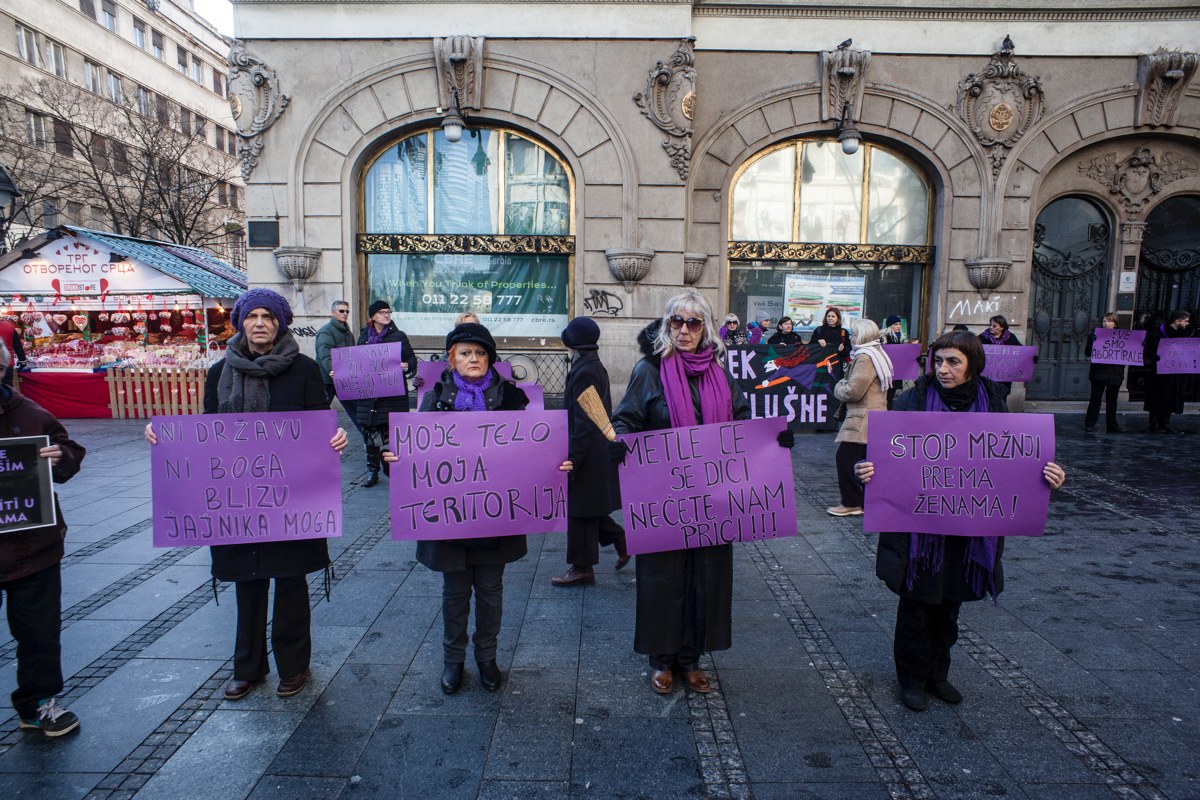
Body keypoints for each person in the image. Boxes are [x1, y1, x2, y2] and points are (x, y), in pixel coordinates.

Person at [148, 288, 349, 701]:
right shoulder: (219, 373)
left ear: (280, 324)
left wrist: (336, 438)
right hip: (239, 502)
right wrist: (165, 439)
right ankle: (248, 667)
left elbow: (318, 429)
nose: (260, 323)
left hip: (292, 499)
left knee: (291, 584)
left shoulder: (305, 370)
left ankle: (294, 667)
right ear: (240, 322)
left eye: (269, 317)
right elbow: (207, 434)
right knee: (247, 583)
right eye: (253, 316)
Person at [855, 331, 1066, 712]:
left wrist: (1049, 474)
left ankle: (939, 674)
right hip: (918, 531)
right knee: (917, 606)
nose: (943, 369)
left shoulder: (994, 402)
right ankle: (913, 680)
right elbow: (883, 458)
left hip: (968, 528)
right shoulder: (912, 399)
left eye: (953, 362)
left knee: (949, 605)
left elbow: (1014, 457)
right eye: (938, 361)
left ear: (973, 364)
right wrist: (866, 471)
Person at [611, 289, 794, 696]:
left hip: (713, 499)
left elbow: (742, 421)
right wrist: (620, 440)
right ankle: (661, 658)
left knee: (704, 578)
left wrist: (774, 440)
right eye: (676, 321)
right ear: (666, 325)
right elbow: (626, 419)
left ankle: (691, 657)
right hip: (664, 496)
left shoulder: (720, 373)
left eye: (693, 322)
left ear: (707, 328)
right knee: (664, 577)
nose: (684, 330)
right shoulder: (649, 371)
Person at [388, 323, 572, 695]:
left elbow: (534, 447)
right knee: (455, 592)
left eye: (481, 353)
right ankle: (452, 660)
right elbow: (416, 452)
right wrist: (397, 458)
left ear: (490, 358)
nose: (474, 359)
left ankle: (487, 657)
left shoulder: (513, 397)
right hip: (449, 519)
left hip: (496, 517)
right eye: (466, 352)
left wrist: (556, 463)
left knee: (490, 591)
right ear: (451, 358)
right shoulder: (435, 396)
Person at [0, 339, 85, 737]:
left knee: (38, 632)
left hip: (32, 548)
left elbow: (69, 449)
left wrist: (61, 458)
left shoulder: (28, 412)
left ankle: (37, 703)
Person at [552, 317, 628, 587]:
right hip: (593, 450)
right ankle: (621, 539)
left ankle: (582, 568)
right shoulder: (590, 365)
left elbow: (585, 422)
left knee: (579, 508)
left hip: (587, 451)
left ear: (572, 341)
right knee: (587, 505)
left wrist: (573, 456)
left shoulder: (585, 370)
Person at [828, 319, 891, 517]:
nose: (851, 338)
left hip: (863, 419)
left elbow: (853, 391)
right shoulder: (876, 353)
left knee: (845, 458)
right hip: (873, 416)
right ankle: (865, 501)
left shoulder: (865, 357)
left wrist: (839, 385)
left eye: (854, 334)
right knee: (865, 461)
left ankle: (852, 502)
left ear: (862, 335)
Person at [356, 300, 417, 487]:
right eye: (382, 312)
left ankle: (390, 467)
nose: (386, 315)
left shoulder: (398, 336)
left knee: (391, 434)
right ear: (373, 316)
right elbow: (355, 362)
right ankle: (372, 471)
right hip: (369, 394)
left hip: (392, 395)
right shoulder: (364, 337)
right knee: (369, 434)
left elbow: (411, 359)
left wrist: (407, 366)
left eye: (388, 312)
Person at [1143, 309, 1192, 433]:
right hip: (1159, 373)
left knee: (1170, 399)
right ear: (1177, 321)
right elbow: (1147, 351)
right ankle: (1154, 424)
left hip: (1175, 373)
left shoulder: (1183, 335)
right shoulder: (1157, 334)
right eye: (1185, 321)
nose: (1187, 324)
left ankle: (1165, 423)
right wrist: (1156, 357)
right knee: (1157, 398)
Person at [314, 299, 358, 430]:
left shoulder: (348, 333)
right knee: (320, 411)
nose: (345, 313)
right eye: (341, 311)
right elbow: (324, 354)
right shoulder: (326, 331)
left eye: (347, 311)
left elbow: (352, 354)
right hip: (327, 380)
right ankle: (316, 436)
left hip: (345, 379)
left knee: (356, 410)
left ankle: (368, 439)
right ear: (333, 313)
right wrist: (332, 370)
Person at [809, 307, 852, 420]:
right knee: (821, 392)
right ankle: (819, 419)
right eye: (828, 316)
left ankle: (834, 418)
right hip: (821, 368)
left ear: (838, 318)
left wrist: (842, 349)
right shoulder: (819, 330)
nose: (830, 318)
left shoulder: (843, 333)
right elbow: (810, 348)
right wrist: (817, 342)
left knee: (835, 392)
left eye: (833, 316)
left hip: (837, 368)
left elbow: (848, 350)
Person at [1085, 312, 1124, 433]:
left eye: (1109, 321)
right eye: (1104, 321)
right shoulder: (1095, 334)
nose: (1106, 323)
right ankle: (1090, 423)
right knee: (1095, 399)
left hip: (1114, 373)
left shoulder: (1123, 336)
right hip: (1099, 372)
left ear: (1115, 323)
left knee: (1112, 401)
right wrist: (1093, 342)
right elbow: (1087, 352)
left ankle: (1112, 425)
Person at [978, 314, 1022, 399]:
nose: (991, 327)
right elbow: (974, 347)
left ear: (1002, 327)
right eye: (990, 325)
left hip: (1004, 376)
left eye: (994, 325)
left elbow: (1021, 351)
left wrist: (1031, 357)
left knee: (1002, 398)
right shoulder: (983, 337)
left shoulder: (1010, 337)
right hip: (988, 376)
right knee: (988, 397)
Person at [882, 314, 911, 409]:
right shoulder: (884, 338)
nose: (898, 326)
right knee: (884, 398)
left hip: (896, 372)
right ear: (890, 326)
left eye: (899, 324)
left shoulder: (901, 339)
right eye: (895, 324)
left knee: (890, 397)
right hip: (886, 371)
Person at [0, 318, 26, 389]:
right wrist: (22, 361)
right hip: (6, 364)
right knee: (7, 388)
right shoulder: (9, 327)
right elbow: (18, 345)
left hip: (6, 363)